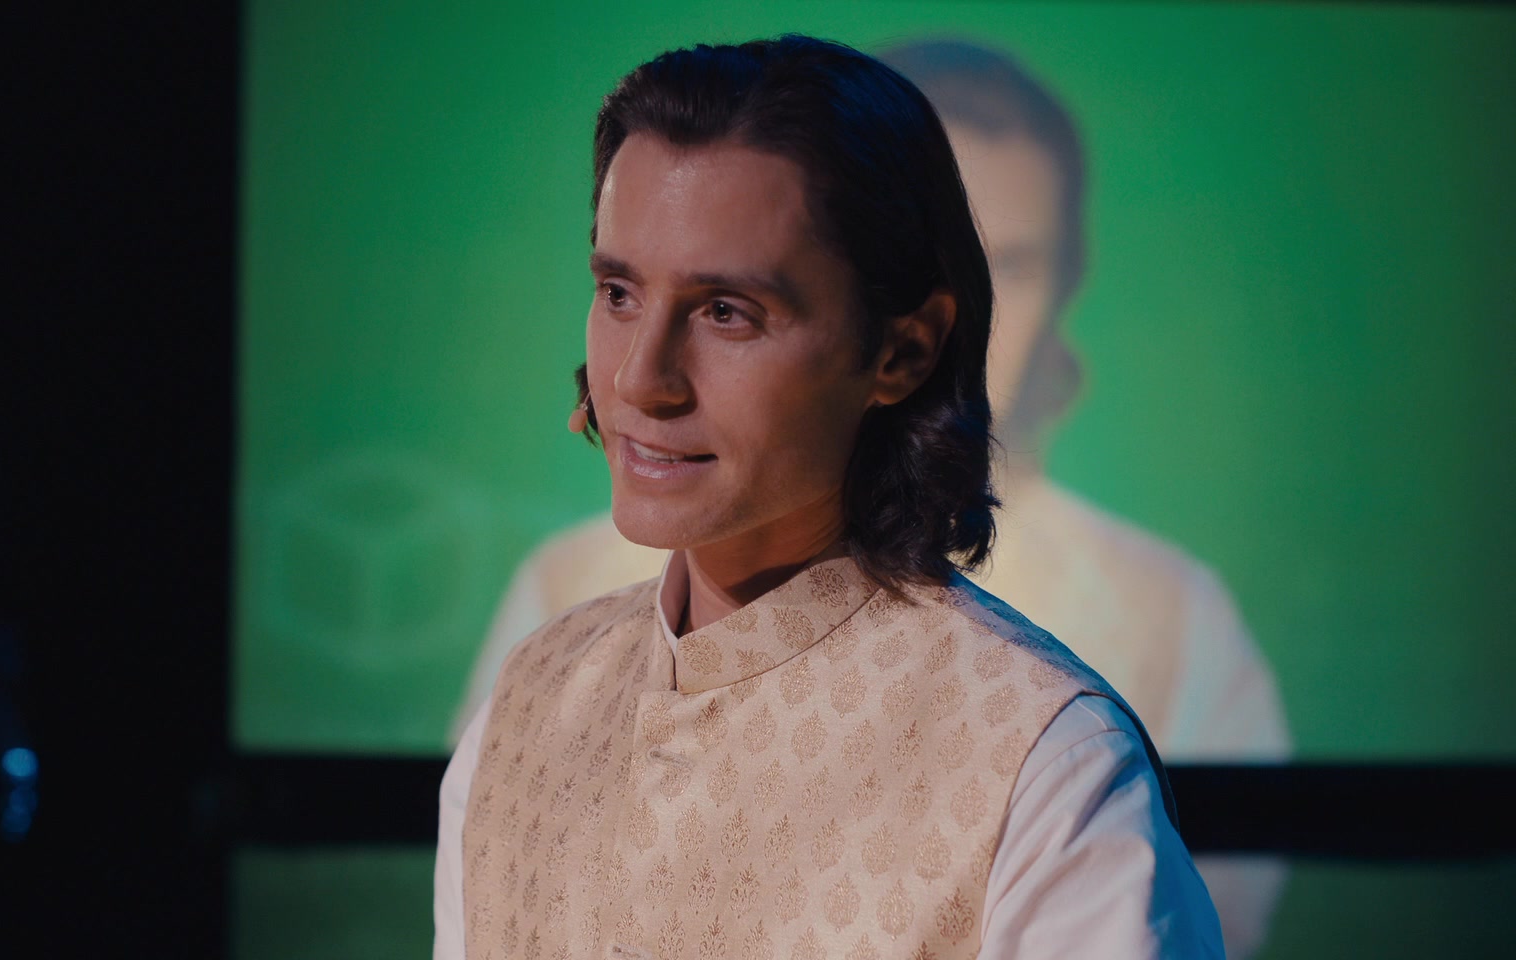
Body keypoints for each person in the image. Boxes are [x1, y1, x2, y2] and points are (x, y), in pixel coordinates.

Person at [449, 38, 1287, 959]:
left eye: (727, 311)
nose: (640, 379)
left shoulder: (1043, 769)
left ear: (903, 351)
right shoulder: (525, 713)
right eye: (618, 292)